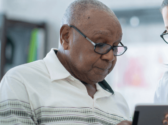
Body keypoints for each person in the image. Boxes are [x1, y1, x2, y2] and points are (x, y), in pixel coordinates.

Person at [0, 0, 131, 125]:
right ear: (66, 37)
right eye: (100, 44)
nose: (110, 57)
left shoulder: (119, 102)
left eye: (114, 47)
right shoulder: (21, 82)